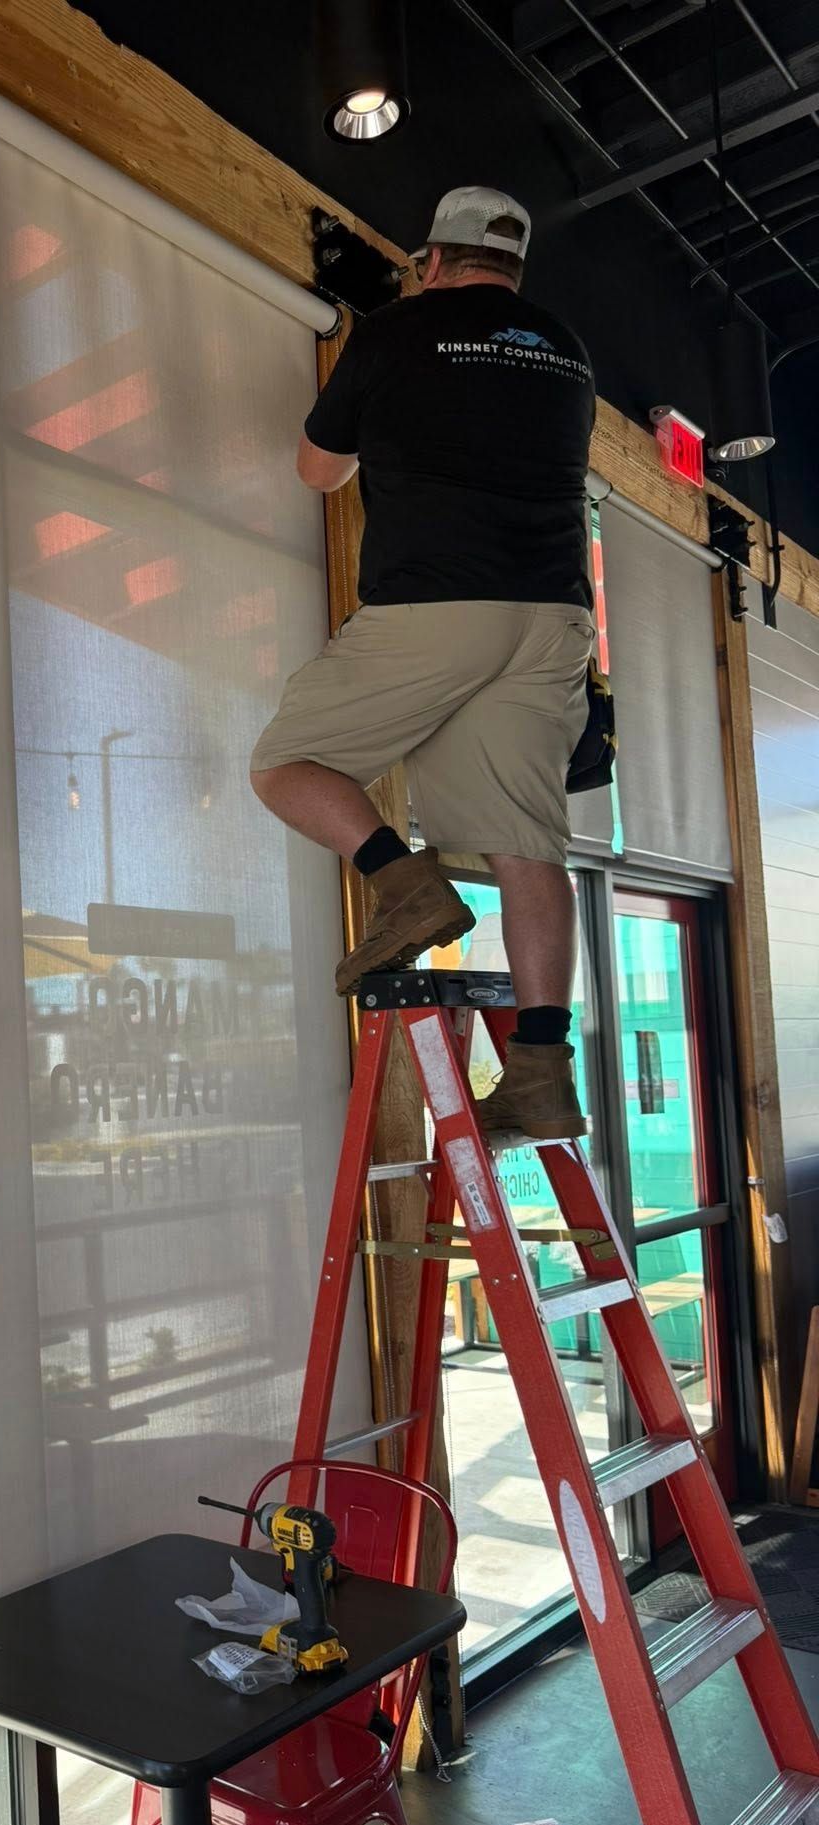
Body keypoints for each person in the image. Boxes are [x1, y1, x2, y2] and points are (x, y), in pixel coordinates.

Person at [251, 186, 596, 1142]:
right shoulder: (566, 353)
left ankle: (404, 888)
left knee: (286, 765)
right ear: (514, 272)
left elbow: (318, 470)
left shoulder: (400, 332)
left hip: (439, 599)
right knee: (529, 847)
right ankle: (539, 1069)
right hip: (554, 617)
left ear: (432, 261)